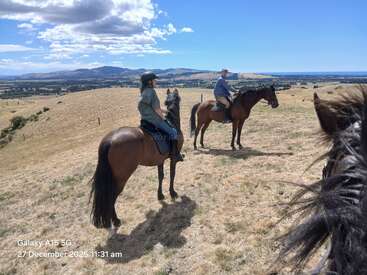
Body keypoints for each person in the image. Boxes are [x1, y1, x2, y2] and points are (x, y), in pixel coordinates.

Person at [138, 72, 184, 162]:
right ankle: (175, 154)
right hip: (154, 120)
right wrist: (163, 117)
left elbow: (152, 107)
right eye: (154, 80)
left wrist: (165, 111)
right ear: (149, 82)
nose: (156, 81)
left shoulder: (143, 91)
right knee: (173, 132)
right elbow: (156, 110)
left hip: (145, 119)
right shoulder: (152, 91)